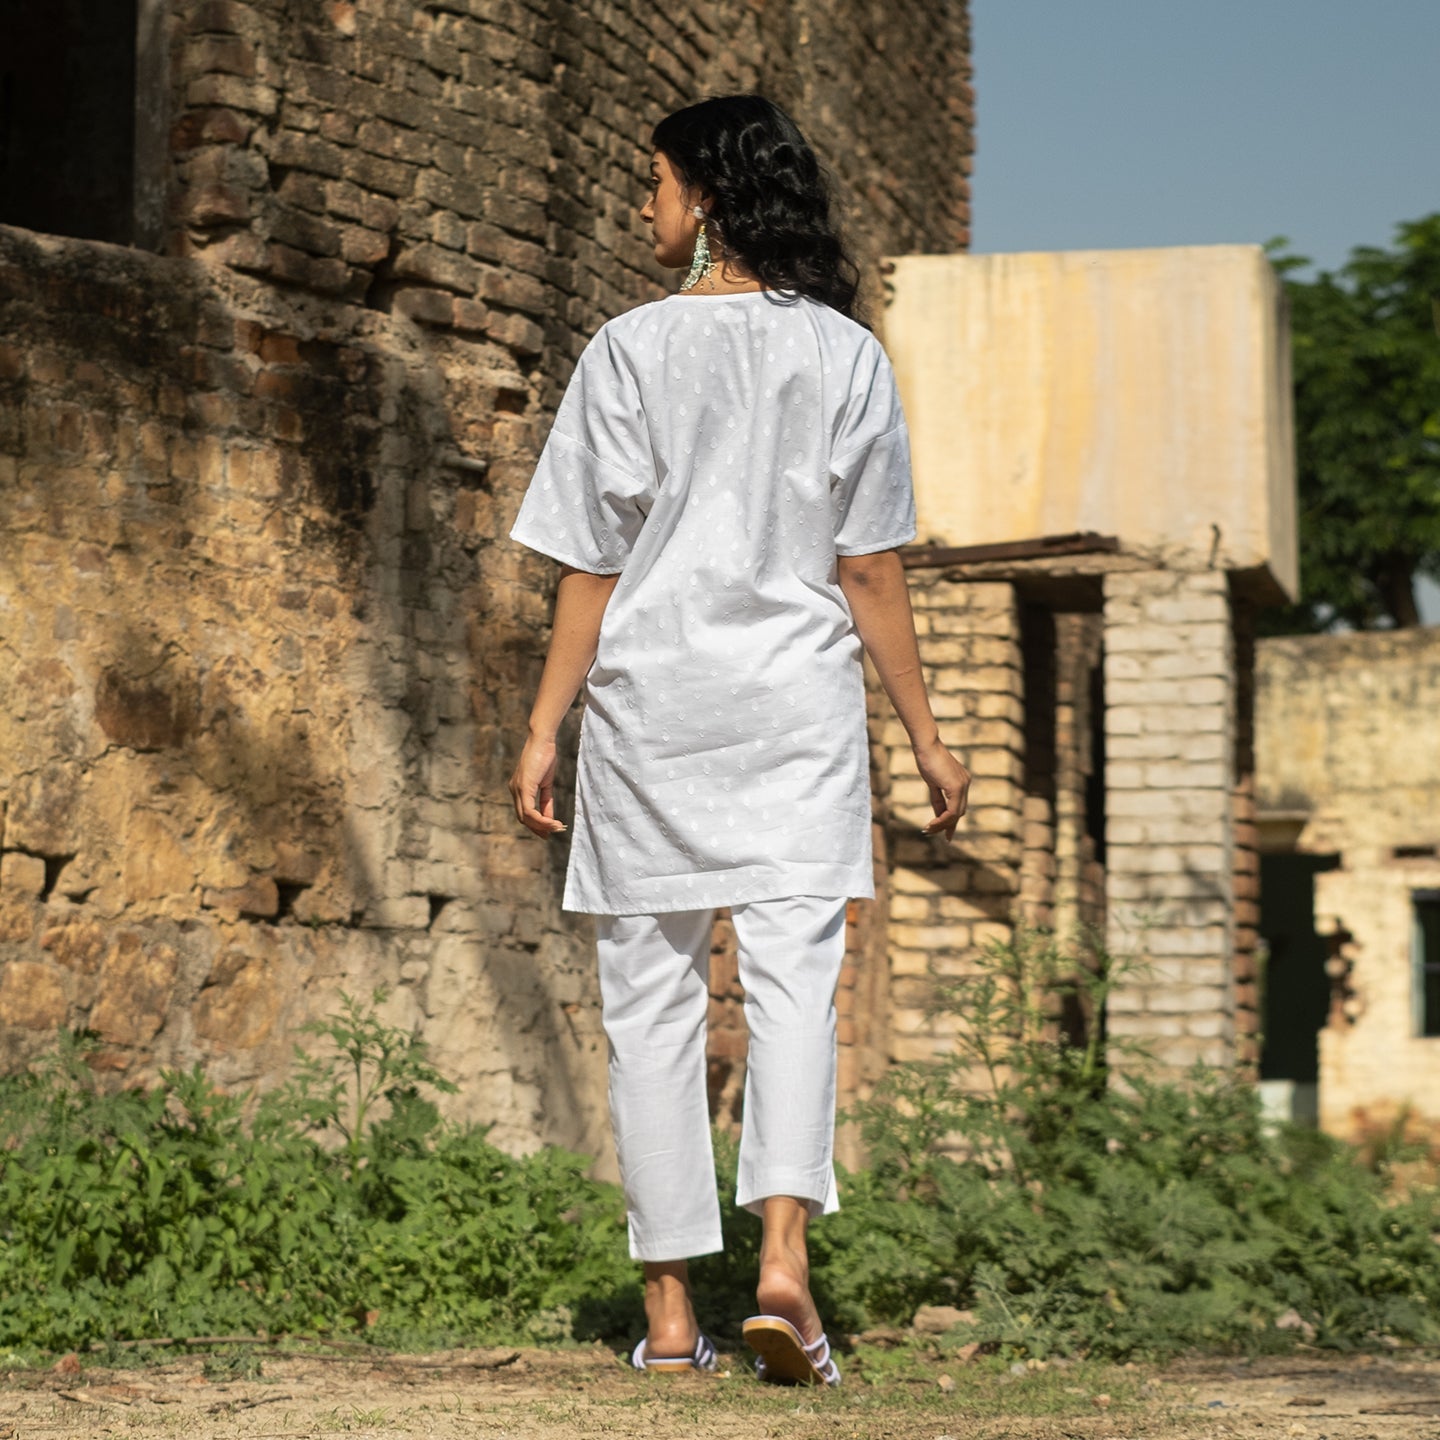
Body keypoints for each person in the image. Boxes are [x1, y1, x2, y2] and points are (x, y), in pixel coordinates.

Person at [507, 94, 970, 1387]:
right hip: (794, 712)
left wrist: (546, 726)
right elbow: (868, 568)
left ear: (704, 196)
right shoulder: (844, 355)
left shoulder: (625, 351)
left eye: (653, 183)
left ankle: (666, 1315)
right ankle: (784, 1269)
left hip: (654, 711)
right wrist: (927, 735)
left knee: (648, 1005)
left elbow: (588, 569)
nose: (641, 207)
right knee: (790, 989)